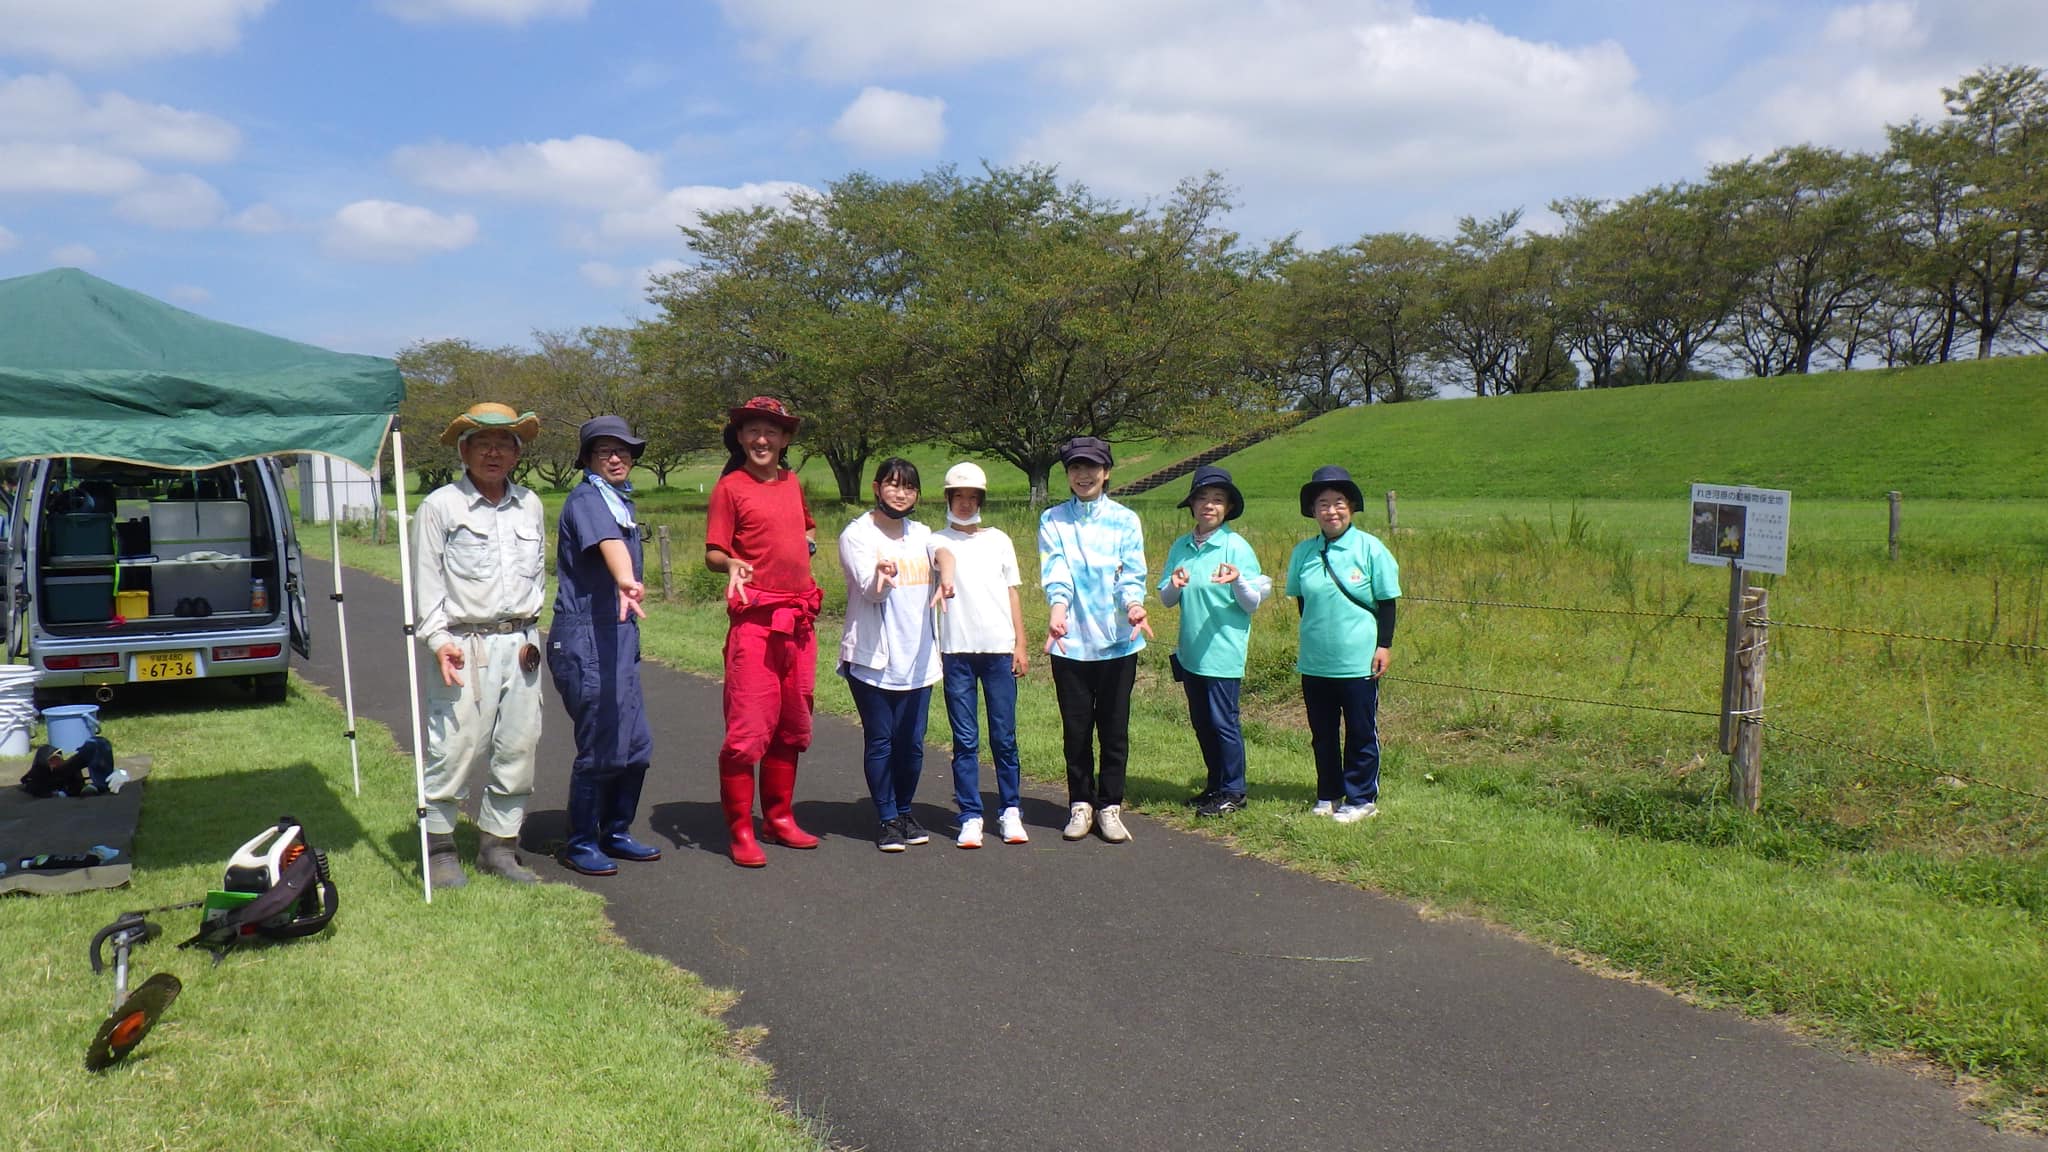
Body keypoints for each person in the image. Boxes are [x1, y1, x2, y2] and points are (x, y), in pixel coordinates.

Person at [413, 402, 548, 887]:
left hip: (522, 644)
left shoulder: (530, 504)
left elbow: (539, 576)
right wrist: (438, 640)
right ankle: (439, 849)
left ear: (517, 453)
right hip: (463, 645)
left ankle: (499, 847)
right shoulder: (440, 506)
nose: (494, 453)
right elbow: (425, 584)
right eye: (483, 444)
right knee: (454, 746)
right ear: (464, 451)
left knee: (518, 745)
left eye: (504, 444)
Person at [705, 396, 822, 868]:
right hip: (755, 622)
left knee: (792, 724)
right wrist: (731, 562)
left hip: (799, 623)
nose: (761, 439)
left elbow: (807, 530)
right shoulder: (729, 488)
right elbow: (714, 552)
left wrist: (806, 544)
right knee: (747, 728)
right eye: (752, 430)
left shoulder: (792, 483)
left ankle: (778, 818)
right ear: (739, 437)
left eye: (771, 431)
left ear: (785, 439)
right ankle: (740, 829)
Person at [549, 415, 663, 876]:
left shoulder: (618, 500)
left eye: (623, 450)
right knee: (601, 743)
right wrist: (626, 580)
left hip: (617, 635)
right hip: (586, 637)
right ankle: (580, 841)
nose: (615, 458)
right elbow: (610, 544)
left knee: (636, 745)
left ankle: (615, 831)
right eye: (604, 451)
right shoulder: (587, 500)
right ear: (588, 460)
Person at [1038, 435, 1151, 844]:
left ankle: (1110, 806)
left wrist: (1134, 605)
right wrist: (1058, 609)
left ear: (1106, 472)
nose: (1083, 475)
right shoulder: (1053, 520)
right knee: (1077, 729)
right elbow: (1056, 570)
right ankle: (1080, 804)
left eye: (1091, 467)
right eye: (1075, 468)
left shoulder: (1125, 520)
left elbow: (1130, 574)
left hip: (1119, 641)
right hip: (1071, 643)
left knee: (1114, 728)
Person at [839, 458, 956, 852]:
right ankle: (887, 818)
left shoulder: (920, 533)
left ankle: (905, 811)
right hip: (872, 659)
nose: (901, 493)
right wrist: (883, 577)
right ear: (877, 488)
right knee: (881, 740)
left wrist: (947, 578)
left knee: (913, 743)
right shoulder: (857, 534)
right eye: (892, 485)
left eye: (909, 487)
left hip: (918, 658)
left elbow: (944, 553)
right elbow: (869, 592)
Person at [1285, 465, 1402, 823]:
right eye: (1323, 504)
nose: (1331, 511)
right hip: (1316, 660)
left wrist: (1383, 645)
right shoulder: (1303, 552)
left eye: (1338, 502)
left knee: (1360, 732)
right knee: (1322, 733)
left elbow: (1387, 602)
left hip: (1359, 660)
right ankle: (1328, 793)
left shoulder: (1370, 548)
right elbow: (1303, 601)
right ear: (1313, 510)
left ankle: (1362, 798)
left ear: (1351, 507)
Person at [1157, 465, 1270, 817]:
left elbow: (1252, 603)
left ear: (1228, 508)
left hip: (1223, 653)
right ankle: (1215, 786)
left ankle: (1234, 792)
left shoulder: (1236, 547)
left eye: (1218, 499)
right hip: (1191, 653)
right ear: (1192, 504)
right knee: (1202, 723)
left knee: (1224, 723)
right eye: (1202, 498)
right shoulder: (1181, 546)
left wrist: (1237, 581)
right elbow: (1166, 599)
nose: (1209, 505)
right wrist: (1174, 584)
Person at [935, 462, 1030, 848]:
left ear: (981, 500)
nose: (965, 503)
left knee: (1004, 736)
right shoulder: (935, 540)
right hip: (956, 651)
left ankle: (1010, 810)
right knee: (965, 739)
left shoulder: (999, 540)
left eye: (972, 497)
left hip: (998, 649)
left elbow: (1012, 592)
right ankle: (970, 815)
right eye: (958, 496)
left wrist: (1020, 644)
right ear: (948, 499)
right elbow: (940, 562)